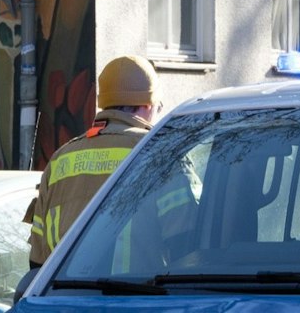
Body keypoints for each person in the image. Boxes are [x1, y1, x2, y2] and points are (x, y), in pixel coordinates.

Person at [26, 54, 193, 267]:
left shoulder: (61, 158)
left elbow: (37, 261)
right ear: (149, 104)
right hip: (137, 297)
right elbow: (186, 248)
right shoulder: (159, 153)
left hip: (62, 298)